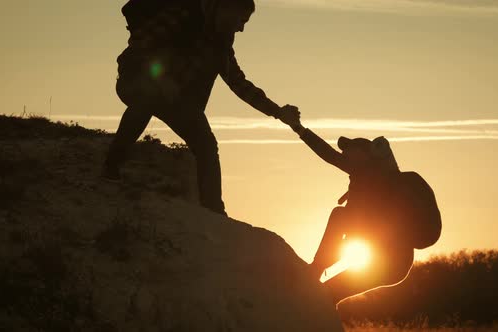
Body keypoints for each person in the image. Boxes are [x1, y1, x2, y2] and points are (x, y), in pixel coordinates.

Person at [103, 0, 300, 216]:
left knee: (206, 145)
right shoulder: (183, 13)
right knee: (146, 100)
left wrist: (277, 111)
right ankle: (111, 168)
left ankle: (214, 209)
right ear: (226, 7)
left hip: (177, 99)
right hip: (137, 81)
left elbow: (239, 83)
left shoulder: (221, 43)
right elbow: (141, 46)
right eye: (241, 20)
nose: (241, 28)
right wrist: (160, 78)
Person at [281, 116, 441, 304]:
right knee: (327, 294)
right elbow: (329, 154)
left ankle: (316, 270)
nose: (345, 156)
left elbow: (331, 156)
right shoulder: (366, 176)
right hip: (387, 261)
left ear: (367, 156)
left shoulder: (394, 181)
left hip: (392, 261)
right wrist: (299, 129)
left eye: (350, 152)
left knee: (339, 216)